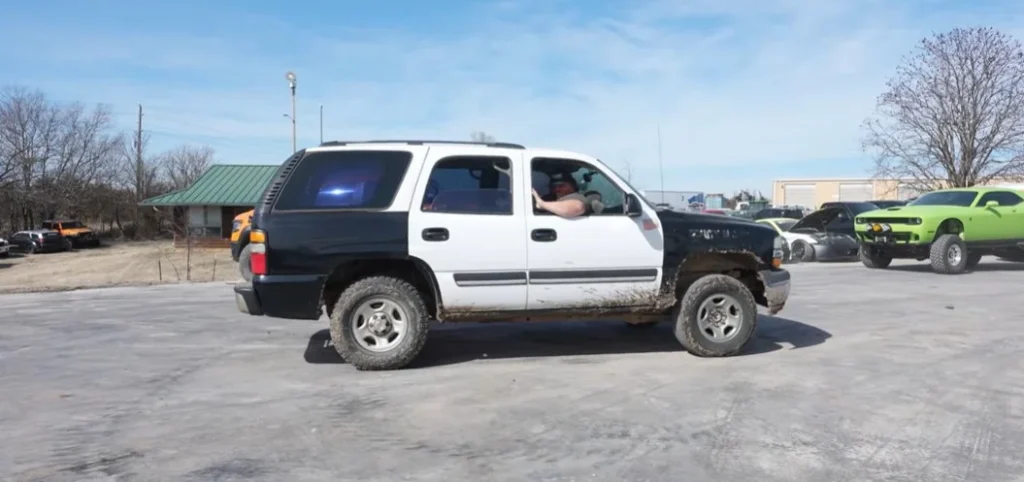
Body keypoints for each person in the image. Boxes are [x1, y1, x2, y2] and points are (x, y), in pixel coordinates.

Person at [531, 176, 603, 218]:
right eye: (554, 186)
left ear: (573, 186)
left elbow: (578, 207)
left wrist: (541, 204)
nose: (557, 189)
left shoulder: (578, 198)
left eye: (561, 186)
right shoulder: (551, 198)